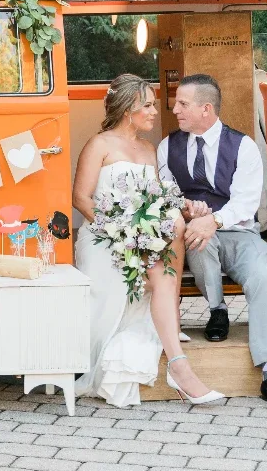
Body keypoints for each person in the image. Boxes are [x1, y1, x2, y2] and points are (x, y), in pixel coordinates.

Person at [73, 74, 224, 407]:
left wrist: (184, 207)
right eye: (148, 105)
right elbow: (81, 198)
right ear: (129, 109)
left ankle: (177, 364)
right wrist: (118, 231)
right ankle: (178, 363)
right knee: (160, 263)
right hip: (102, 236)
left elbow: (155, 200)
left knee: (170, 234)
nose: (156, 111)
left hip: (140, 239)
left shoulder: (148, 148)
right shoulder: (99, 145)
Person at [158, 73, 267, 412]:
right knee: (198, 240)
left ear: (206, 109)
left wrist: (214, 220)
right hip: (195, 231)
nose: (175, 110)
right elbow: (164, 193)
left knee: (261, 277)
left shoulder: (243, 146)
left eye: (182, 104)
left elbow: (246, 202)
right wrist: (186, 209)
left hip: (240, 232)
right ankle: (218, 310)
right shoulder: (167, 146)